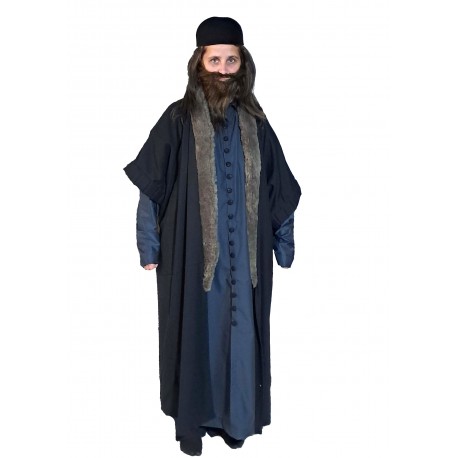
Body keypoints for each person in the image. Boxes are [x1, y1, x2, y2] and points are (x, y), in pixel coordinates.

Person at [123, 16, 301, 456]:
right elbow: (151, 187)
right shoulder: (178, 119)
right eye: (215, 59)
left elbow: (279, 187)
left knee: (241, 338)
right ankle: (192, 423)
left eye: (231, 60)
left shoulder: (257, 123)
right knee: (193, 334)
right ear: (199, 62)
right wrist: (149, 245)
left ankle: (235, 421)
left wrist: (284, 243)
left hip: (245, 264)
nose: (223, 69)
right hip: (190, 257)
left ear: (243, 65)